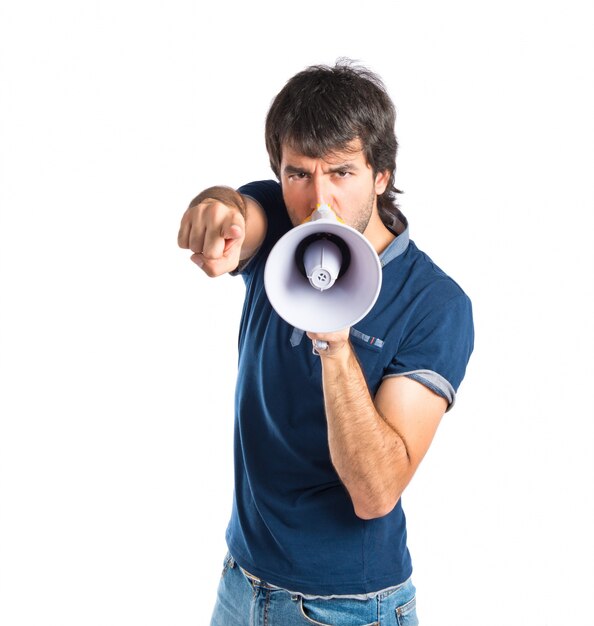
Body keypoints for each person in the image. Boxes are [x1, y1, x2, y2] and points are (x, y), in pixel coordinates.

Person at [178, 61, 474, 626]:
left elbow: (376, 492)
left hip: (346, 606)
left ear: (381, 174)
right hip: (241, 583)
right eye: (299, 174)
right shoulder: (279, 230)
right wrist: (214, 209)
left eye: (341, 173)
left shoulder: (436, 305)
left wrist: (335, 345)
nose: (319, 200)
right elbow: (240, 214)